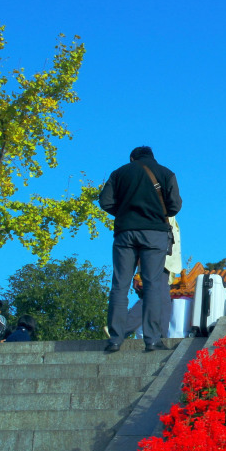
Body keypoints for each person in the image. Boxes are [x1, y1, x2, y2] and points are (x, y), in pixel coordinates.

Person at [99, 146, 182, 353]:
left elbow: (105, 201)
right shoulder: (166, 173)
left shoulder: (118, 173)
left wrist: (125, 212)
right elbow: (175, 206)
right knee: (153, 285)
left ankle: (115, 339)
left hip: (125, 233)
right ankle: (152, 340)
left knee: (119, 284)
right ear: (153, 157)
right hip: (154, 234)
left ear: (131, 158)